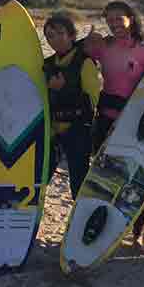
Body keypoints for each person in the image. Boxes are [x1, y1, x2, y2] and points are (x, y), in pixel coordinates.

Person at [83, 1, 144, 247]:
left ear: (131, 19)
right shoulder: (103, 47)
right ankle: (106, 224)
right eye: (109, 20)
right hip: (105, 118)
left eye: (118, 18)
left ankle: (137, 233)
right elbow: (81, 59)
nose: (114, 24)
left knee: (135, 176)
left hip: (134, 120)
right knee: (105, 174)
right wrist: (87, 41)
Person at [42, 15, 101, 199]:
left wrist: (64, 89)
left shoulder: (85, 63)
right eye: (50, 36)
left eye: (60, 33)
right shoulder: (47, 65)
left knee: (79, 184)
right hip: (51, 132)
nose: (56, 39)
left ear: (72, 35)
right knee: (40, 179)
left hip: (78, 131)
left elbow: (92, 103)